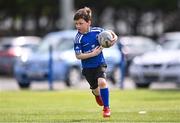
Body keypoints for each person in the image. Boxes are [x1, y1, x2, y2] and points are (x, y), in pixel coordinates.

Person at [73, 7, 117, 118]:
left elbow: (110, 33)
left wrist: (114, 38)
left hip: (99, 63)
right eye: (76, 24)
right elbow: (78, 56)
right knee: (97, 91)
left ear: (88, 23)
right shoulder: (78, 38)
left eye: (80, 23)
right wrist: (92, 54)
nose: (78, 26)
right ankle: (96, 94)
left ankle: (106, 109)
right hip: (88, 68)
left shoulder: (97, 31)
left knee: (102, 82)